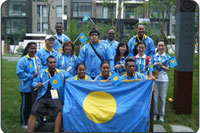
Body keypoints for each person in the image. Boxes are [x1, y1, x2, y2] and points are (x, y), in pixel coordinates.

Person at [27, 55, 65, 132]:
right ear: (47, 64)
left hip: (54, 97)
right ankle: (29, 131)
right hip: (42, 97)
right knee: (33, 111)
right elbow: (34, 82)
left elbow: (71, 78)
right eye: (50, 62)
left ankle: (56, 131)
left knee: (60, 110)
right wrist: (37, 85)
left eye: (54, 62)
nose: (53, 64)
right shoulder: (42, 72)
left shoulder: (61, 73)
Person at [16, 42, 41, 129]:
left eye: (35, 48)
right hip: (26, 87)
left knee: (33, 105)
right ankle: (24, 122)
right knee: (26, 105)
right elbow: (20, 73)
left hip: (35, 87)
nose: (33, 50)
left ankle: (32, 120)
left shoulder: (37, 60)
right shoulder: (23, 60)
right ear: (27, 49)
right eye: (31, 48)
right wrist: (31, 76)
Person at [153, 40, 170, 122]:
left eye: (162, 45)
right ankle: (155, 114)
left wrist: (162, 66)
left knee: (162, 98)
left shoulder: (168, 57)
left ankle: (162, 115)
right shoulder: (154, 56)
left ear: (165, 46)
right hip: (155, 78)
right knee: (155, 97)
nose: (161, 47)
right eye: (159, 45)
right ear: (157, 46)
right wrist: (154, 65)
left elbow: (169, 69)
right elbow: (150, 66)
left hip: (164, 78)